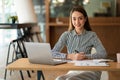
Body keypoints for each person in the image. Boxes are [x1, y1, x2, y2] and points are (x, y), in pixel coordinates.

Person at [52, 5, 107, 80]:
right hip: (74, 70)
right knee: (59, 79)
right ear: (71, 20)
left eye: (80, 18)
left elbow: (103, 53)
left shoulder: (92, 35)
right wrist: (70, 56)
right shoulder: (66, 35)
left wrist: (85, 56)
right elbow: (52, 53)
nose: (77, 22)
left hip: (89, 70)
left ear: (85, 19)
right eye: (74, 19)